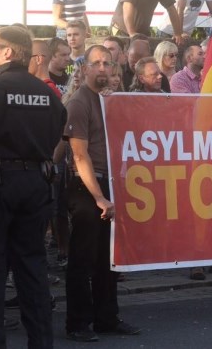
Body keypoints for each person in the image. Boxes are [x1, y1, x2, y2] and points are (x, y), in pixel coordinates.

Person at [0, 25, 66, 348]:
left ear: (8, 52)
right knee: (33, 271)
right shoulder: (50, 95)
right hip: (37, 186)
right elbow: (55, 135)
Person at [63, 45, 141, 341]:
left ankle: (107, 318)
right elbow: (79, 156)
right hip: (87, 186)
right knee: (82, 258)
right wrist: (98, 197)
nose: (102, 68)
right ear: (83, 68)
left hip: (110, 183)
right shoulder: (79, 102)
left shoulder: (109, 101)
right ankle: (77, 323)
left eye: (107, 63)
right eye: (96, 63)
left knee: (109, 258)